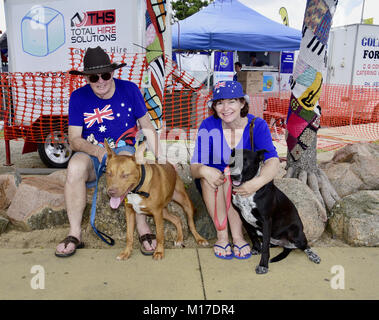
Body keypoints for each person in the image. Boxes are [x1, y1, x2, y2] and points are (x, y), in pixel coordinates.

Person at [55, 46, 162, 257]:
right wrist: (96, 151)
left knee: (129, 165)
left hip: (124, 150)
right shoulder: (78, 97)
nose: (100, 81)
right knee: (75, 167)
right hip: (93, 154)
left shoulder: (130, 89)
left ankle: (143, 228)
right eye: (94, 77)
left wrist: (161, 157)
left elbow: (147, 126)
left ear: (112, 73)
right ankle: (74, 233)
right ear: (87, 78)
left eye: (105, 75)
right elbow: (74, 139)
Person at [190, 81, 280, 259]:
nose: (225, 108)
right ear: (214, 106)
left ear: (242, 103)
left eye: (231, 101)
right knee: (211, 177)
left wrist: (257, 182)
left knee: (232, 175)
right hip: (213, 185)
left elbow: (273, 161)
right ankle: (222, 235)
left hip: (242, 183)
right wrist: (204, 171)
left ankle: (238, 236)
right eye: (219, 103)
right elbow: (194, 167)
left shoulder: (257, 125)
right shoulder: (208, 126)